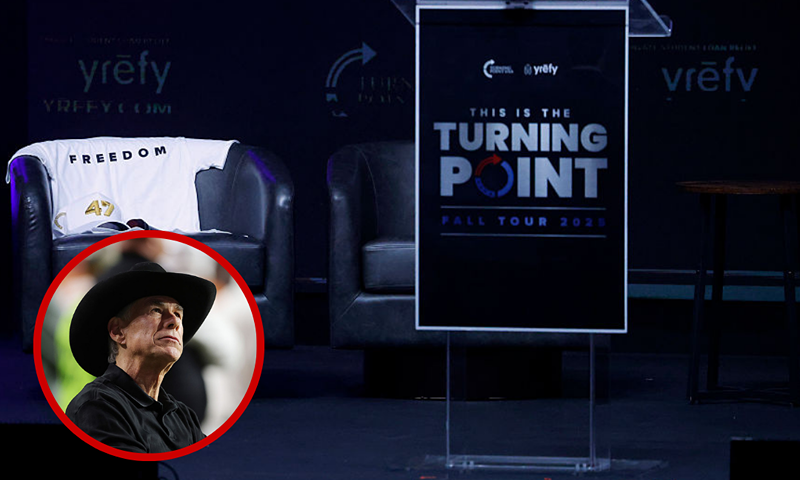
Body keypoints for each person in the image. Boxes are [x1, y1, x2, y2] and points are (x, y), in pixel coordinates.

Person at [65, 261, 216, 453]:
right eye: (156, 310)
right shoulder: (97, 406)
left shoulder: (182, 415)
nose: (174, 322)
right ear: (118, 331)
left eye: (178, 313)